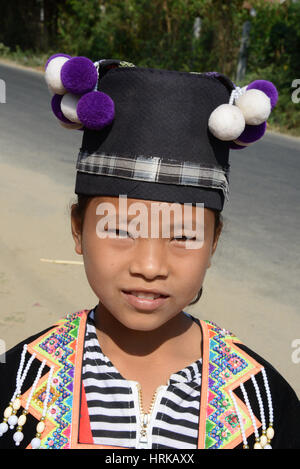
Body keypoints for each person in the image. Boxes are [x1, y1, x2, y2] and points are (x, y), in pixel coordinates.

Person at [0, 55, 299, 450]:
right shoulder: (19, 384)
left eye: (182, 236)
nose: (150, 266)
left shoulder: (266, 405)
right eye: (121, 229)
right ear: (78, 227)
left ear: (214, 242)